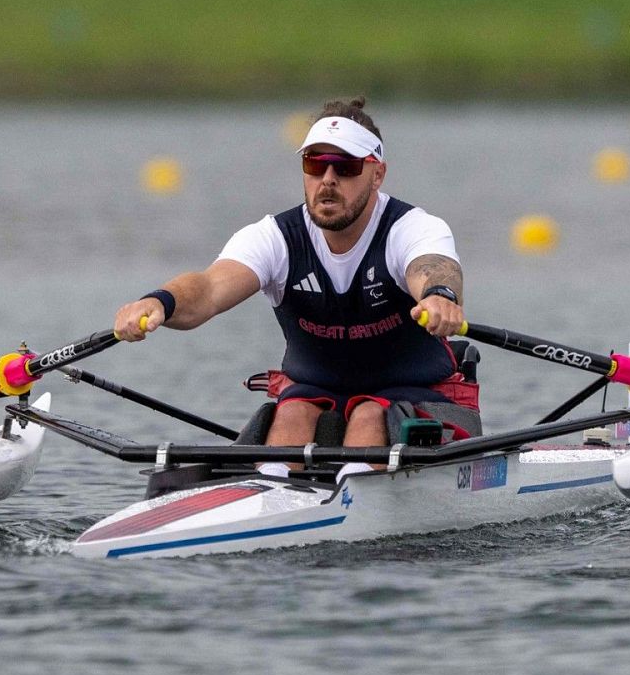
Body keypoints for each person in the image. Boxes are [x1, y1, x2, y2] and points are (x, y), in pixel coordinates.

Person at [112, 98, 472, 479]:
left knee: (368, 414)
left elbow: (434, 268)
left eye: (346, 167)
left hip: (413, 395)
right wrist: (159, 301)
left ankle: (350, 497)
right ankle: (271, 495)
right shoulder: (275, 238)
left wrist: (439, 296)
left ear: (377, 174)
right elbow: (209, 288)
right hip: (316, 392)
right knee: (292, 413)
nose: (328, 179)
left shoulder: (412, 228)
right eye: (315, 164)